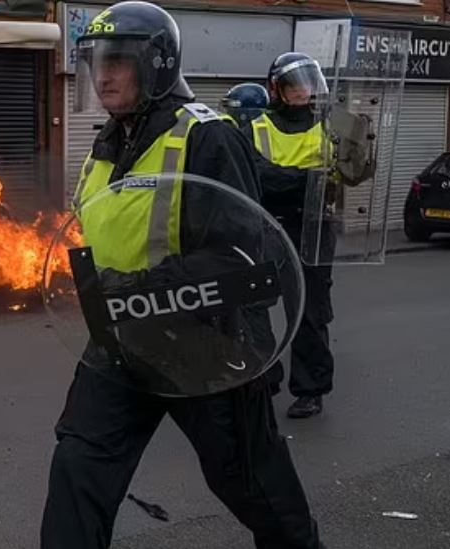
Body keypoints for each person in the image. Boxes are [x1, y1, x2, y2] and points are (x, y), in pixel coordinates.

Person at [41, 3, 322, 549]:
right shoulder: (106, 143)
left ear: (158, 63)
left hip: (209, 348)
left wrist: (132, 291)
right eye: (97, 60)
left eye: (118, 60)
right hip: (123, 345)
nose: (103, 74)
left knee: (252, 487)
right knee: (78, 471)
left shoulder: (207, 138)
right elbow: (101, 233)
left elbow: (240, 261)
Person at [247, 52, 334, 419]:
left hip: (313, 226)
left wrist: (292, 182)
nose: (304, 91)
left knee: (308, 312)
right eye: (295, 85)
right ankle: (264, 381)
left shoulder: (330, 125)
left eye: (308, 84)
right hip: (268, 224)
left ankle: (310, 389)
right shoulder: (255, 126)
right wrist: (307, 180)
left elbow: (341, 177)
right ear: (277, 89)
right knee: (254, 307)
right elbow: (259, 177)